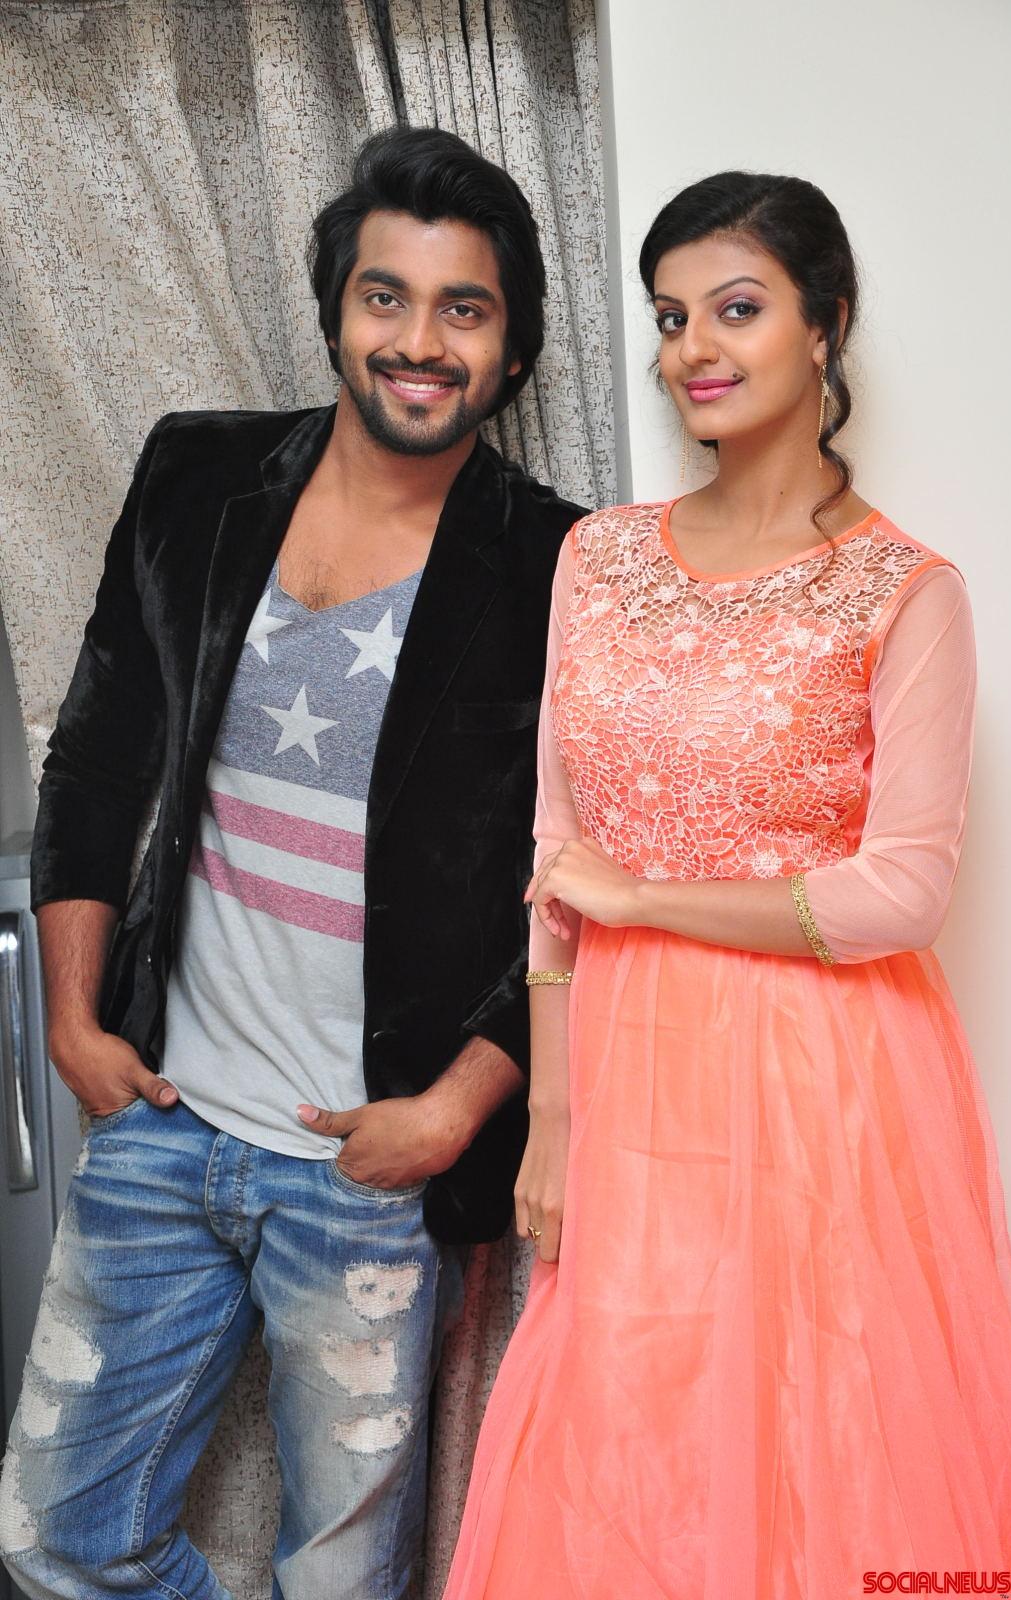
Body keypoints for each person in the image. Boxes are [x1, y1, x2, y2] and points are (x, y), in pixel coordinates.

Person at [443, 171, 1011, 1598]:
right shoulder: (598, 560)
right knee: (630, 1451)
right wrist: (551, 1119)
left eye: (735, 310)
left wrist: (644, 899)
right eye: (669, 318)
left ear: (823, 327)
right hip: (628, 1080)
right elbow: (555, 855)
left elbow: (901, 895)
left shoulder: (904, 590)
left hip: (823, 1083)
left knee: (822, 1445)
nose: (692, 351)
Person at [0, 127, 584, 1600]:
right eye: (386, 296)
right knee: (55, 1541)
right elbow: (98, 756)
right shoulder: (196, 474)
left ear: (512, 350)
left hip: (368, 1169)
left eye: (464, 309)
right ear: (336, 312)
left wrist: (453, 1108)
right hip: (163, 1121)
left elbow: (579, 885)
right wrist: (72, 1020)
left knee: (339, 1582)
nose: (419, 342)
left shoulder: (558, 568)